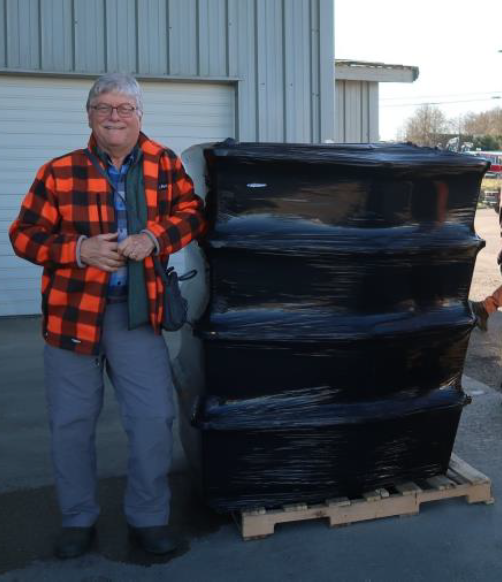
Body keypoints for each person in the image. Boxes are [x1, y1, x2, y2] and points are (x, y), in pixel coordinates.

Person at [9, 73, 206, 558]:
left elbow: (193, 213)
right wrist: (77, 250)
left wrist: (155, 237)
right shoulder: (57, 172)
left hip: (137, 312)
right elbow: (23, 235)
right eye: (103, 107)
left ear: (140, 114)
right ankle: (78, 519)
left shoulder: (164, 163)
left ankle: (149, 517)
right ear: (89, 115)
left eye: (124, 108)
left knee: (152, 417)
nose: (114, 116)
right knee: (72, 422)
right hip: (72, 315)